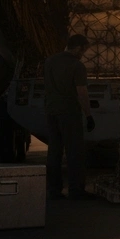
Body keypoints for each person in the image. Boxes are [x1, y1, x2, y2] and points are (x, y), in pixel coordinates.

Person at [43, 34, 93, 198]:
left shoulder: (50, 61)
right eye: (83, 50)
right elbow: (82, 92)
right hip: (69, 112)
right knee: (74, 151)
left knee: (54, 151)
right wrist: (88, 115)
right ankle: (76, 189)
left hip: (51, 112)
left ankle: (53, 189)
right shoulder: (77, 66)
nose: (83, 54)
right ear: (78, 48)